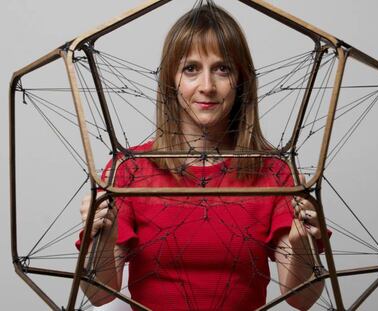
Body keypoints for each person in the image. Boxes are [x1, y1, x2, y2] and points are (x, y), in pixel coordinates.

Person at [79, 4, 324, 311]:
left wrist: (303, 245)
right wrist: (101, 236)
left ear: (241, 81)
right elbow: (99, 295)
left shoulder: (274, 171)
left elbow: (302, 298)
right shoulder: (129, 170)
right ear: (172, 80)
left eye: (222, 69)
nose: (207, 87)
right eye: (191, 69)